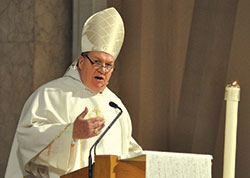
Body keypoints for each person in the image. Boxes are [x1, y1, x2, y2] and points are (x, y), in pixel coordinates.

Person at [5, 7, 142, 178]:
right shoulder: (50, 95)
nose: (103, 69)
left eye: (109, 65)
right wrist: (71, 133)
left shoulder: (115, 107)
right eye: (97, 62)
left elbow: (129, 154)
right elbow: (27, 140)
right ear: (82, 62)